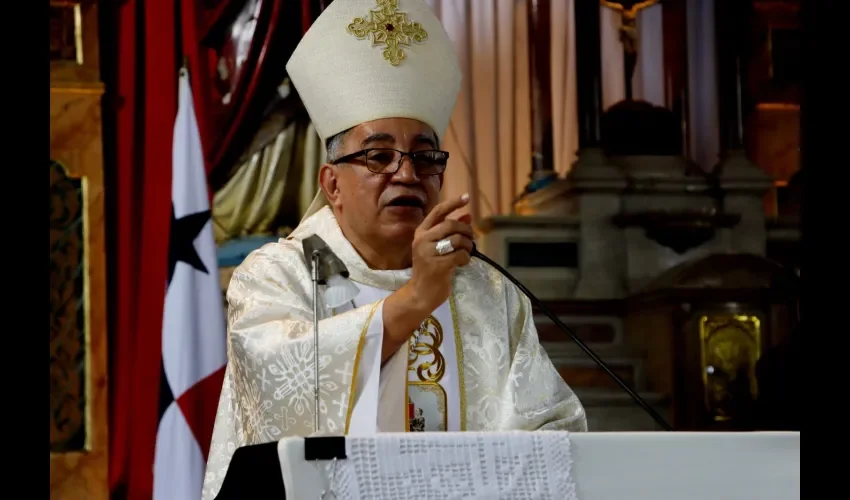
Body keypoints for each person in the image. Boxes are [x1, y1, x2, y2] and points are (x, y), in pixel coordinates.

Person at [202, 0, 586, 497]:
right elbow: (280, 392)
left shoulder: (485, 289)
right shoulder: (281, 273)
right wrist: (417, 296)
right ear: (332, 184)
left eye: (425, 157)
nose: (406, 174)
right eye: (379, 156)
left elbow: (553, 433)